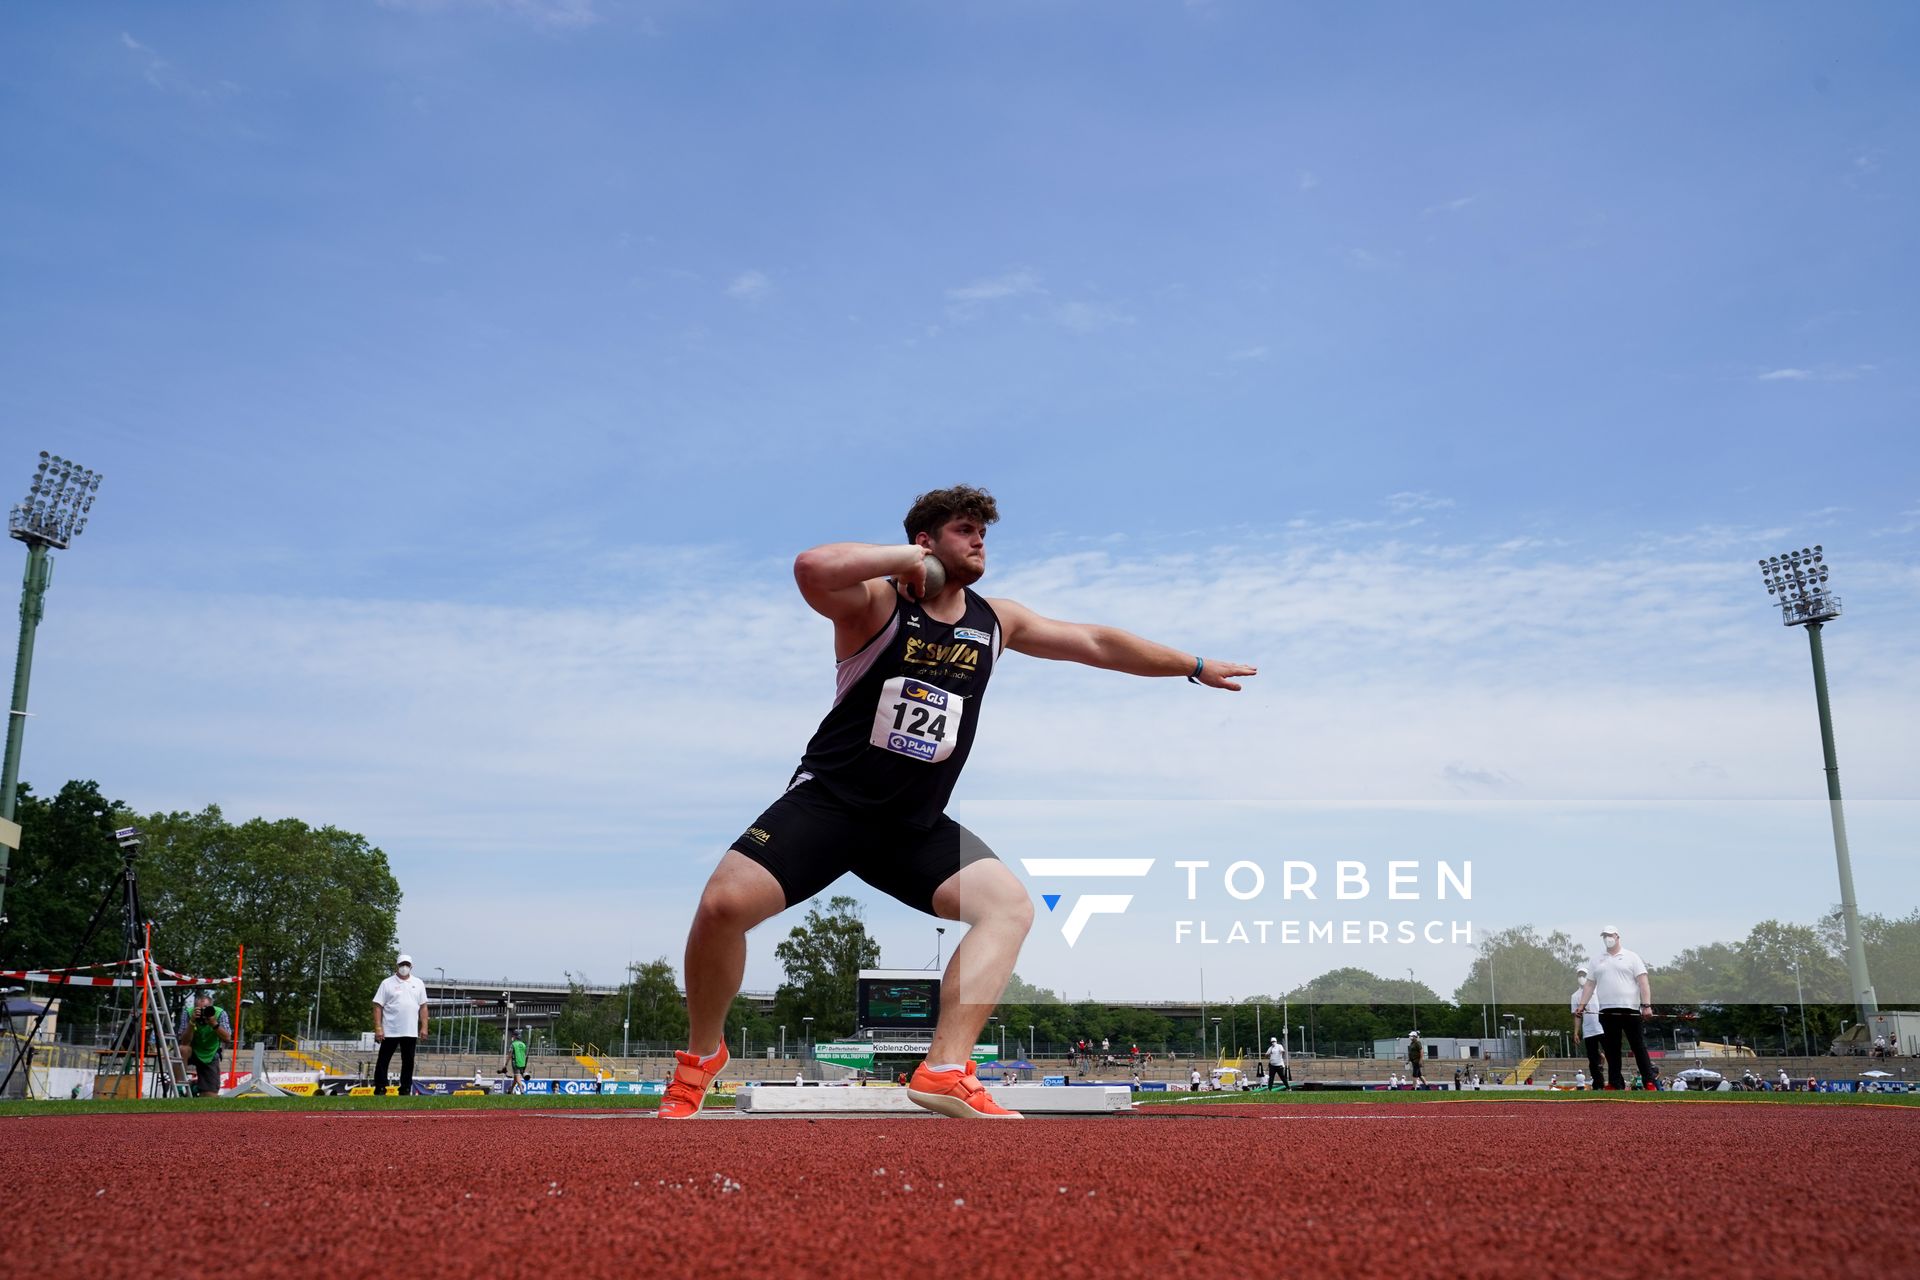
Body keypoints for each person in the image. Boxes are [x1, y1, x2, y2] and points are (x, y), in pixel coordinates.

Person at [657, 486, 1257, 1120]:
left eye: (984, 534)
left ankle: (944, 1069)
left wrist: (1191, 664)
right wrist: (903, 562)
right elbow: (811, 567)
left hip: (911, 827)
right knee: (722, 906)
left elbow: (1097, 642)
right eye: (966, 530)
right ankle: (701, 1058)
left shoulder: (996, 621)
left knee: (1009, 908)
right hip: (830, 804)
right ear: (926, 542)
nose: (980, 542)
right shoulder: (874, 603)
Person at [1574, 926, 1656, 1091]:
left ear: (1617, 936)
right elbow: (1590, 984)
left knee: (1638, 1046)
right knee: (1612, 1050)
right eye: (1604, 936)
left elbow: (1643, 982)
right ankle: (1614, 1082)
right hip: (1607, 1011)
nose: (1607, 938)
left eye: (1610, 935)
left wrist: (1646, 1005)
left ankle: (1649, 1081)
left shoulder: (1632, 957)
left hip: (1630, 1009)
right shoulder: (1597, 960)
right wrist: (1582, 1005)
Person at [371, 953, 428, 1097]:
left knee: (408, 1061)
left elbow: (423, 1007)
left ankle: (405, 1088)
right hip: (390, 1029)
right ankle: (380, 1087)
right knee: (384, 1059)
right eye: (402, 965)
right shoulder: (387, 983)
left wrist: (424, 1026)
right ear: (397, 966)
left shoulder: (418, 983)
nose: (404, 967)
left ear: (411, 966)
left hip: (409, 1030)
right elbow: (378, 1006)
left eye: (407, 965)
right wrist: (378, 1027)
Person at [175, 989, 232, 1097]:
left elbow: (227, 1038)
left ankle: (195, 1086)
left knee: (210, 1096)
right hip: (192, 1050)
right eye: (199, 1010)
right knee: (182, 1049)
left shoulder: (220, 1013)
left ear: (212, 1008)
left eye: (206, 1009)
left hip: (210, 1053)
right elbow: (184, 1041)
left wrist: (214, 1023)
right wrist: (192, 1022)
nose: (203, 1013)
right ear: (195, 1008)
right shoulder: (188, 1013)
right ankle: (179, 1086)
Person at [1573, 964, 1604, 1089]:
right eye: (1579, 975)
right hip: (1588, 1031)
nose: (1581, 977)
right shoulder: (1575, 996)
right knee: (1592, 1060)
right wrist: (1576, 1032)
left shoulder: (1598, 990)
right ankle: (1598, 1084)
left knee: (1612, 1055)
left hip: (1602, 1028)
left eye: (1583, 975)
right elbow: (1576, 1016)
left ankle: (1616, 1082)